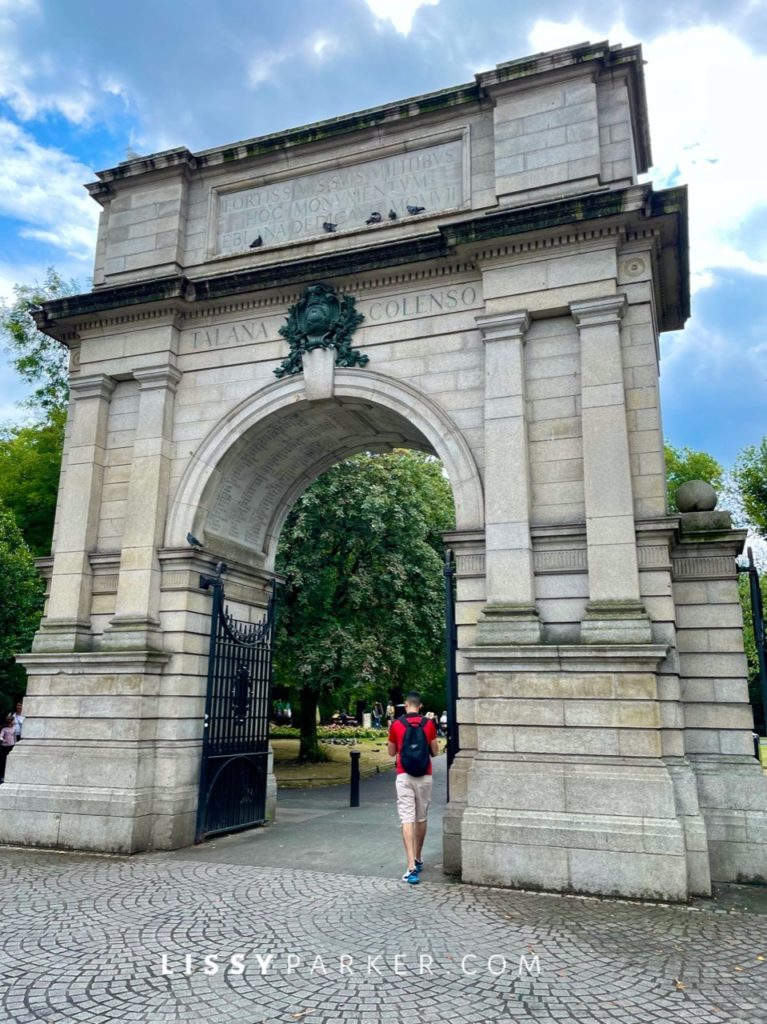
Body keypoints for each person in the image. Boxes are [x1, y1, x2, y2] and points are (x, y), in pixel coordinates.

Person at [387, 691, 439, 884]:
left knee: (407, 818)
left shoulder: (397, 724)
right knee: (421, 817)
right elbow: (435, 751)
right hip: (425, 775)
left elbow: (392, 752)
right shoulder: (428, 724)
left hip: (404, 775)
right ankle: (418, 857)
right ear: (420, 705)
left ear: (405, 704)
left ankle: (410, 867)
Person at [0, 713, 16, 784]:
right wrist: (4, 740)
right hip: (5, 747)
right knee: (4, 761)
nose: (14, 722)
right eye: (13, 720)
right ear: (10, 721)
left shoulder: (14, 729)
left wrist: (15, 744)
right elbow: (0, 736)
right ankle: (2, 776)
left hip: (12, 746)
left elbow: (14, 737)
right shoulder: (4, 729)